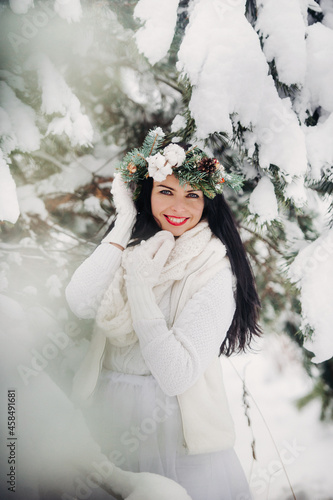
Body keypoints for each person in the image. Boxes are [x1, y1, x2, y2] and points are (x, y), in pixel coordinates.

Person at [65, 128, 261, 500]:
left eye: (193, 196)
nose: (179, 207)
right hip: (104, 417)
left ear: (208, 203)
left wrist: (140, 288)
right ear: (148, 194)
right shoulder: (132, 245)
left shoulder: (214, 269)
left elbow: (175, 374)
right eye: (166, 191)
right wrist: (124, 222)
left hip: (173, 430)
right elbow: (80, 300)